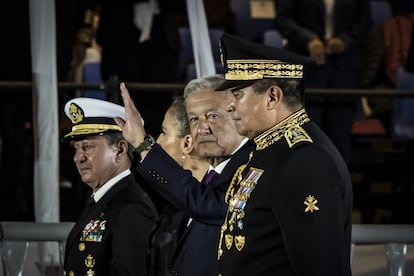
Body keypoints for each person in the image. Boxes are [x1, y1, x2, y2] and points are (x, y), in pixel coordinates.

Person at [214, 33, 353, 275]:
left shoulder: (305, 159)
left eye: (237, 94)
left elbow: (320, 267)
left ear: (272, 97)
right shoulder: (272, 146)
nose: (229, 106)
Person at [115, 75, 254, 276]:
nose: (202, 128)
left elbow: (207, 205)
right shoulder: (207, 179)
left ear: (237, 115)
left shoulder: (253, 166)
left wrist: (143, 144)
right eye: (194, 119)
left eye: (212, 116)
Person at [61, 97, 158, 275]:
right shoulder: (104, 200)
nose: (78, 157)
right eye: (76, 148)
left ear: (120, 150)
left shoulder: (132, 208)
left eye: (87, 147)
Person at [275, 0, 372, 164]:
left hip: (344, 68)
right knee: (304, 136)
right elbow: (283, 20)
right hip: (305, 64)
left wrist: (346, 40)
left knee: (339, 138)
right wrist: (309, 40)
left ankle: (337, 187)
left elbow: (365, 20)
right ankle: (302, 186)